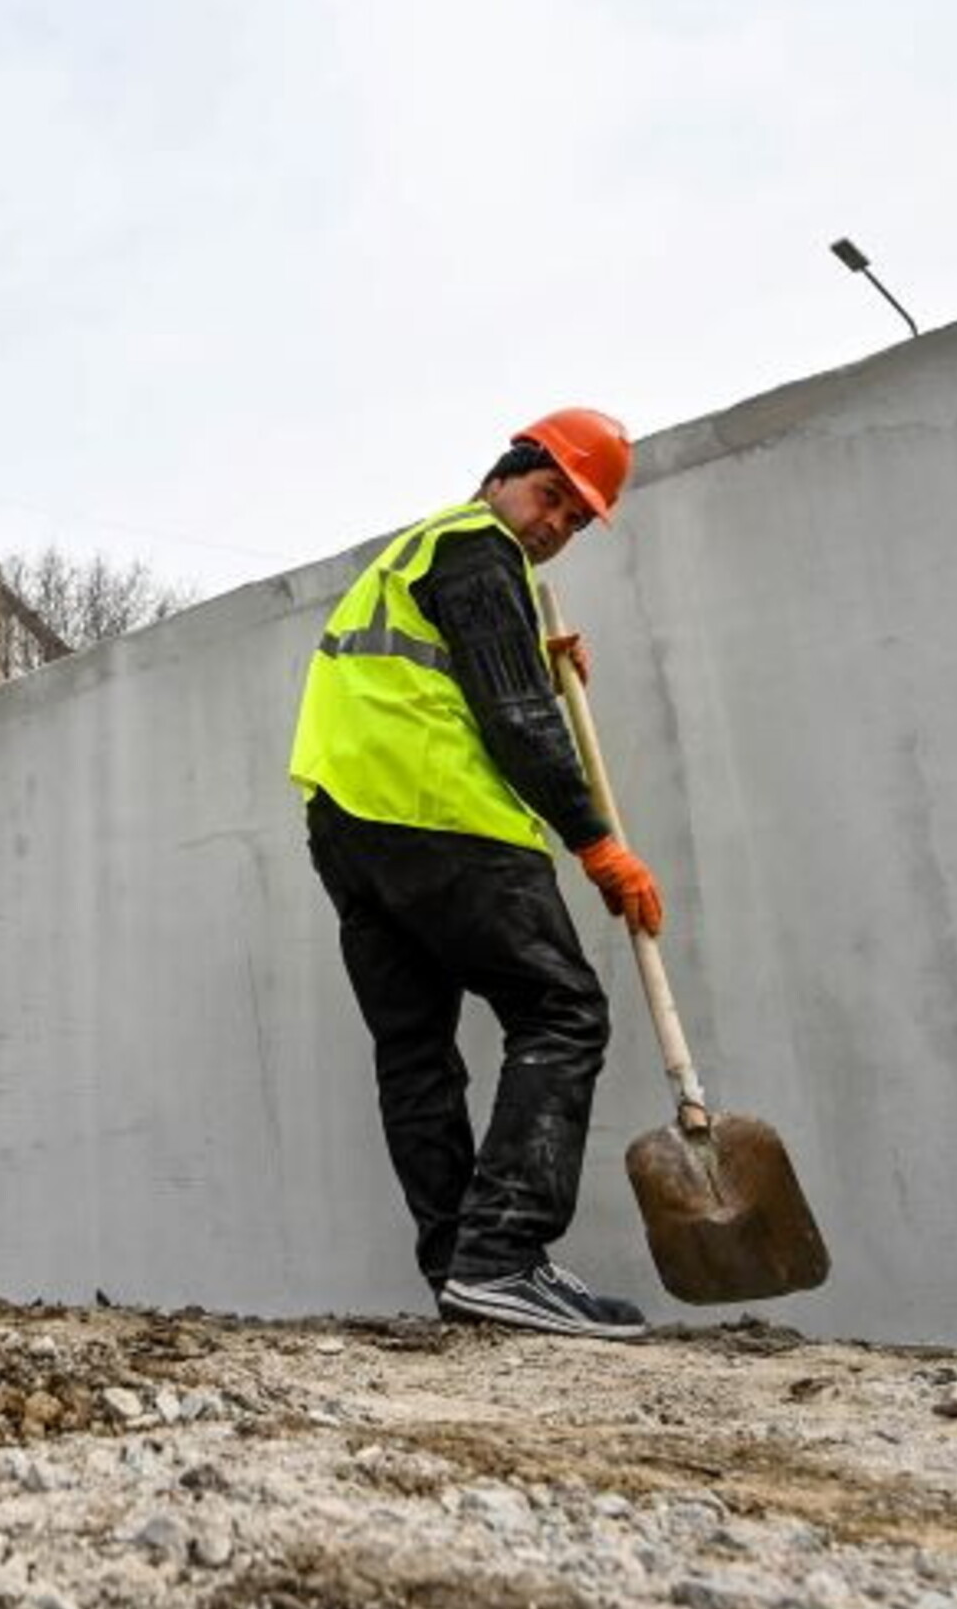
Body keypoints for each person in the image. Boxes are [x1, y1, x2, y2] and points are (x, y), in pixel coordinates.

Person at [288, 408, 665, 1339]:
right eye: (552, 498)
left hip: (347, 827)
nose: (554, 528)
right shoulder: (479, 547)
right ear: (505, 474)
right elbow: (516, 721)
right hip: (442, 814)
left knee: (415, 1054)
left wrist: (528, 652)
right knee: (563, 1010)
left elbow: (433, 668)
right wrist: (596, 842)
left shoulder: (420, 554)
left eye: (576, 522)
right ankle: (502, 1255)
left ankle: (461, 1271)